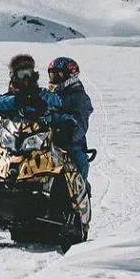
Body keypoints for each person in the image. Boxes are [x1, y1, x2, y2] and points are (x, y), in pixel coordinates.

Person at [0, 54, 69, 166]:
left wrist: (43, 107)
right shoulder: (11, 97)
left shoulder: (41, 94)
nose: (25, 78)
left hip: (39, 143)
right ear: (14, 76)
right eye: (21, 74)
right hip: (12, 142)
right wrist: (16, 101)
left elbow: (57, 103)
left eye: (28, 73)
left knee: (62, 163)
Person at [46, 56, 94, 185]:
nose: (54, 79)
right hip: (44, 140)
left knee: (79, 164)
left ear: (70, 75)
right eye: (52, 75)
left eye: (59, 75)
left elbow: (79, 125)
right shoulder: (50, 95)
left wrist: (67, 128)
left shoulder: (80, 98)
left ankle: (80, 198)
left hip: (68, 144)